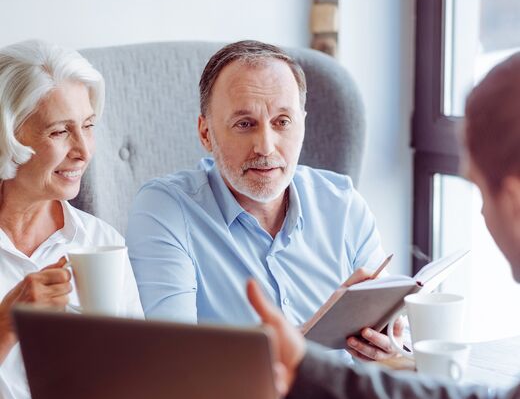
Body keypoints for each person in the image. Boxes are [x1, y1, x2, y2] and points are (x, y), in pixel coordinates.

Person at [213, 52, 520, 399]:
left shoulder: (339, 199)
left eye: (477, 189)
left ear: (514, 202)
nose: (480, 212)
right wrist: (303, 370)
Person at [126, 40, 403, 361]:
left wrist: (387, 347)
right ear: (205, 134)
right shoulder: (165, 209)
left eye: (282, 122)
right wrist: (318, 331)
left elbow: (393, 344)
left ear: (302, 125)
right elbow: (175, 361)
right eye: (245, 124)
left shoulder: (342, 203)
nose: (266, 147)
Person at [0, 40, 143, 399]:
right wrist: (5, 326)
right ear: (8, 136)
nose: (84, 150)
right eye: (60, 132)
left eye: (89, 126)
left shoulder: (102, 243)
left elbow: (140, 379)